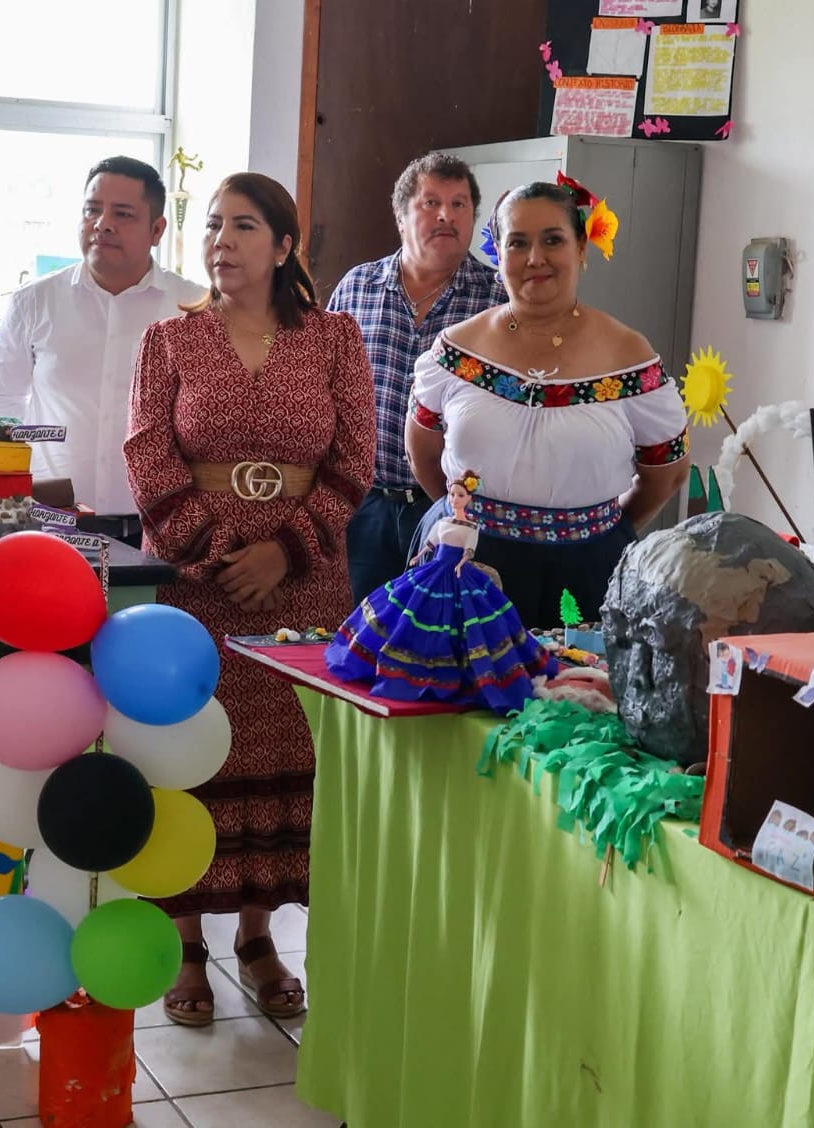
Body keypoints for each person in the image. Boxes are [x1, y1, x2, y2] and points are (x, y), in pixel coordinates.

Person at [124, 172, 376, 1026]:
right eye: (212, 226)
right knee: (192, 754)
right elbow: (147, 456)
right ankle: (187, 943)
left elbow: (356, 461)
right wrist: (221, 554)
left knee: (287, 756)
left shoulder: (335, 339)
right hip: (195, 590)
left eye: (242, 226)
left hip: (305, 585)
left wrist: (284, 552)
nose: (221, 242)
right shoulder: (169, 340)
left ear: (284, 245)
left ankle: (258, 937)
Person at [405, 178, 691, 629]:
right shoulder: (455, 350)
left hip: (585, 570)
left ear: (581, 248)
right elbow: (422, 451)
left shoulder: (629, 356)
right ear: (498, 254)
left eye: (552, 240)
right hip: (466, 564)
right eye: (517, 243)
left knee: (573, 677)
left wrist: (597, 531)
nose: (535, 258)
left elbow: (668, 472)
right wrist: (468, 516)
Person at [0, 157, 206, 544]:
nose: (102, 224)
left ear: (157, 230)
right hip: (53, 525)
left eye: (123, 214)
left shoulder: (194, 308)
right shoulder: (34, 301)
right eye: (92, 210)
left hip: (159, 530)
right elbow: (3, 404)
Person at [328, 152, 506, 605]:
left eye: (459, 204)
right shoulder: (357, 288)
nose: (446, 215)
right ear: (401, 215)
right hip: (363, 507)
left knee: (442, 630)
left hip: (454, 511)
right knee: (359, 630)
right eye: (431, 203)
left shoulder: (498, 300)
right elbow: (320, 392)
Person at [324, 469, 553, 713]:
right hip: (434, 568)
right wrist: (419, 556)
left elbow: (469, 551)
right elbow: (430, 543)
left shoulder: (471, 526)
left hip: (458, 573)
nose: (455, 499)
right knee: (409, 607)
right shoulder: (443, 521)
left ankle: (455, 676)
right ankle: (403, 670)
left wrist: (462, 565)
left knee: (464, 619)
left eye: (460, 495)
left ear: (469, 498)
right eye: (452, 494)